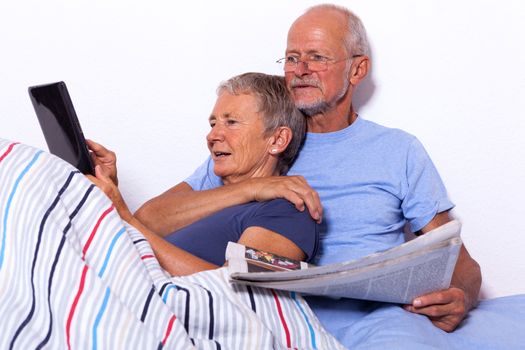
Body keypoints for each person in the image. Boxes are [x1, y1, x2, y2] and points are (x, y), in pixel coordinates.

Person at [131, 4, 482, 347]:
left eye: (317, 57)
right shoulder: (257, 144)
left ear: (357, 70)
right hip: (275, 317)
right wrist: (256, 187)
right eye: (292, 58)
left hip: (375, 319)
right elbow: (153, 217)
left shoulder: (398, 150)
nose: (300, 70)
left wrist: (461, 294)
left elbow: (457, 259)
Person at [88, 72, 319, 276]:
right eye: (213, 124)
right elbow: (145, 220)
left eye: (231, 122)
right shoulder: (212, 197)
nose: (213, 136)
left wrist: (123, 217)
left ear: (277, 140)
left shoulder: (288, 210)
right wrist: (250, 189)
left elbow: (235, 294)